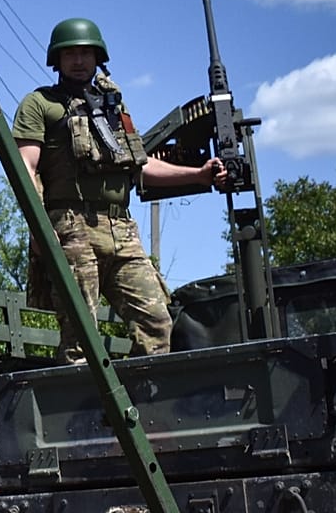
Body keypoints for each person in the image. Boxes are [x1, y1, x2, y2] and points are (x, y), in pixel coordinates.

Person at [12, 18, 227, 363]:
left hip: (122, 230)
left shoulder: (114, 109)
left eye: (86, 53)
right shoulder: (40, 104)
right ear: (57, 60)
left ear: (98, 58)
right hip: (71, 227)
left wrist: (198, 175)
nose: (79, 61)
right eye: (70, 54)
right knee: (81, 338)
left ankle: (145, 408)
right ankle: (83, 414)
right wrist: (39, 227)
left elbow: (138, 164)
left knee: (157, 322)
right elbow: (25, 168)